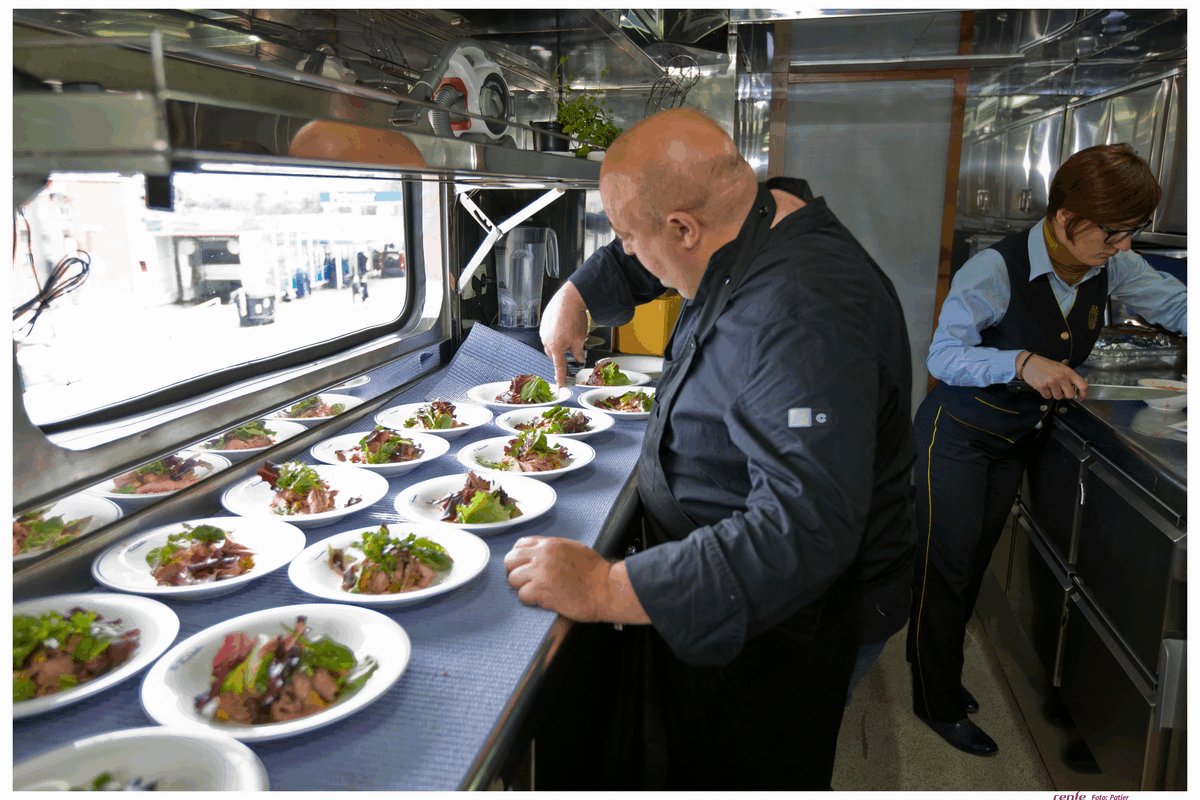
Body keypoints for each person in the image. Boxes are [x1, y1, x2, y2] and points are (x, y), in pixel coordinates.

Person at [502, 108, 917, 789]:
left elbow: (805, 529)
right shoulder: (759, 210)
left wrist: (608, 587)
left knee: (753, 769)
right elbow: (653, 244)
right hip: (741, 581)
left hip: (794, 614)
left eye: (631, 240)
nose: (631, 255)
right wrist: (578, 293)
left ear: (684, 230)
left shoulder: (803, 312)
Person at [907, 143, 1188, 756]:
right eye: (1112, 234)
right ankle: (935, 700)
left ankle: (944, 680)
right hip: (954, 439)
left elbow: (1175, 303)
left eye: (1130, 234)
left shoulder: (1112, 264)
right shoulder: (996, 270)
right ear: (1066, 220)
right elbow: (942, 355)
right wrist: (1022, 361)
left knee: (973, 562)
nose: (1122, 247)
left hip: (1010, 441)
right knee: (944, 571)